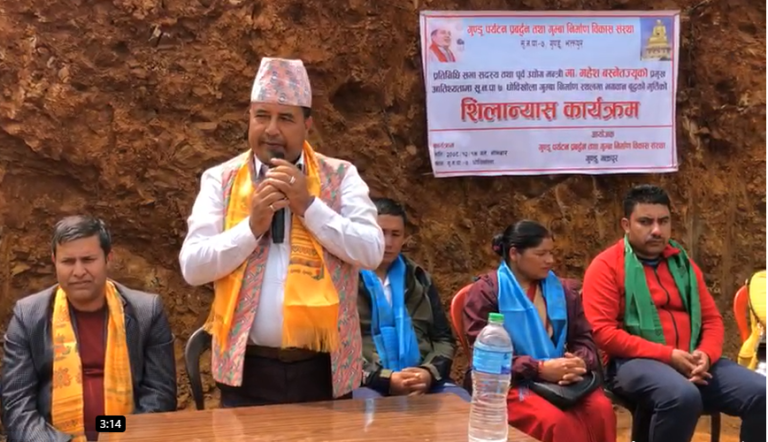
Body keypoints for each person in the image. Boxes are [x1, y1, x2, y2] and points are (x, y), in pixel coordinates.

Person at [178, 57, 385, 408]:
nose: (271, 129)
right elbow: (193, 267)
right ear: (249, 118)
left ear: (307, 125)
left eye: (285, 118)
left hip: (324, 368)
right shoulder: (221, 180)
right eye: (262, 116)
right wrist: (251, 227)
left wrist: (309, 206)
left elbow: (371, 251)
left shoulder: (340, 177)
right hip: (248, 370)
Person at [581, 184, 766, 442]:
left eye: (663, 221)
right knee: (682, 396)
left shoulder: (683, 264)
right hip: (632, 363)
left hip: (692, 357)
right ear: (626, 224)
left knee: (762, 393)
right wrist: (668, 356)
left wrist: (706, 354)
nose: (657, 230)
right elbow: (603, 333)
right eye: (645, 222)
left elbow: (711, 319)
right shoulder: (606, 266)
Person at [1, 216, 177, 442]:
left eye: (88, 259)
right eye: (68, 261)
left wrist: (117, 434)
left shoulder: (146, 312)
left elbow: (160, 395)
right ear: (54, 261)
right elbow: (16, 406)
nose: (79, 271)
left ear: (108, 258)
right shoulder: (28, 316)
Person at [462, 220, 616, 442]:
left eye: (551, 253)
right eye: (541, 254)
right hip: (510, 381)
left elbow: (583, 338)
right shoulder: (487, 292)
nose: (550, 260)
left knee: (601, 410)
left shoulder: (564, 290)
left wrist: (578, 362)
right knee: (556, 422)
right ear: (514, 254)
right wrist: (539, 369)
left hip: (562, 378)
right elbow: (486, 357)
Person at [353, 198, 469, 401]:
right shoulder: (346, 280)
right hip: (369, 382)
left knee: (460, 402)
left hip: (420, 379)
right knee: (366, 407)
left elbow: (443, 339)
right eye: (381, 232)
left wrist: (427, 373)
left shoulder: (419, 279)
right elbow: (337, 350)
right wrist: (387, 380)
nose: (388, 242)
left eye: (395, 234)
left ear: (404, 238)